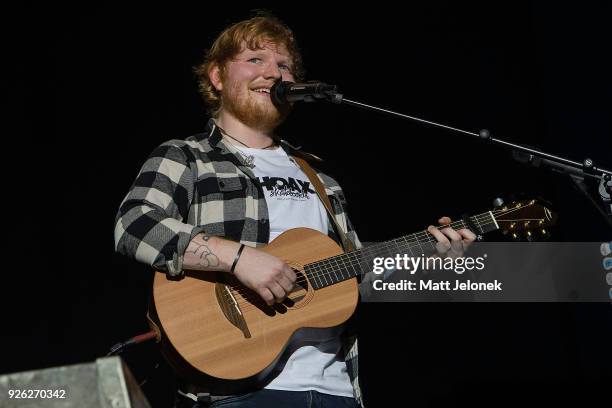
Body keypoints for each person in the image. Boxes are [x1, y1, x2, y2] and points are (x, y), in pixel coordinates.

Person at [114, 14, 476, 408]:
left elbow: (352, 276)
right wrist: (238, 259)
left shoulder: (320, 176)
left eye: (283, 66)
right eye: (255, 60)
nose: (273, 74)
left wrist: (427, 257)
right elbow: (134, 225)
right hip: (237, 391)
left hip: (336, 391)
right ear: (217, 77)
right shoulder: (187, 155)